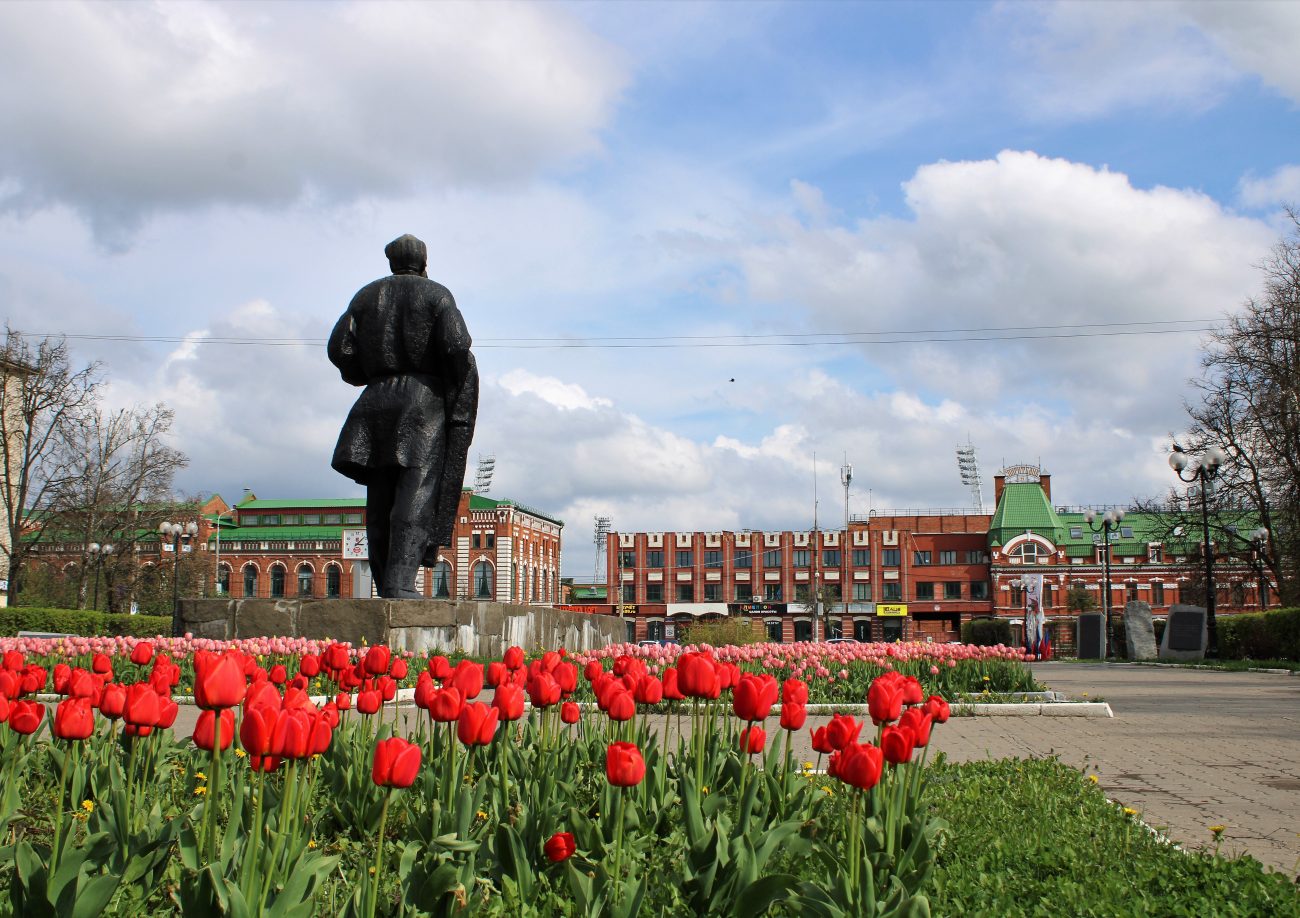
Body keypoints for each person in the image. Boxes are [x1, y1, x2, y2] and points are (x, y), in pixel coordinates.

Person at [328, 235, 478, 599]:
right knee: (416, 490)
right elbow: (458, 345)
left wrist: (364, 370)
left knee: (379, 497)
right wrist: (455, 385)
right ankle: (398, 584)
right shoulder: (436, 295)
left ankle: (386, 585)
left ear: (391, 262)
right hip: (422, 403)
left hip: (374, 401)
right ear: (424, 263)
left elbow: (339, 347)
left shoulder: (365, 297)